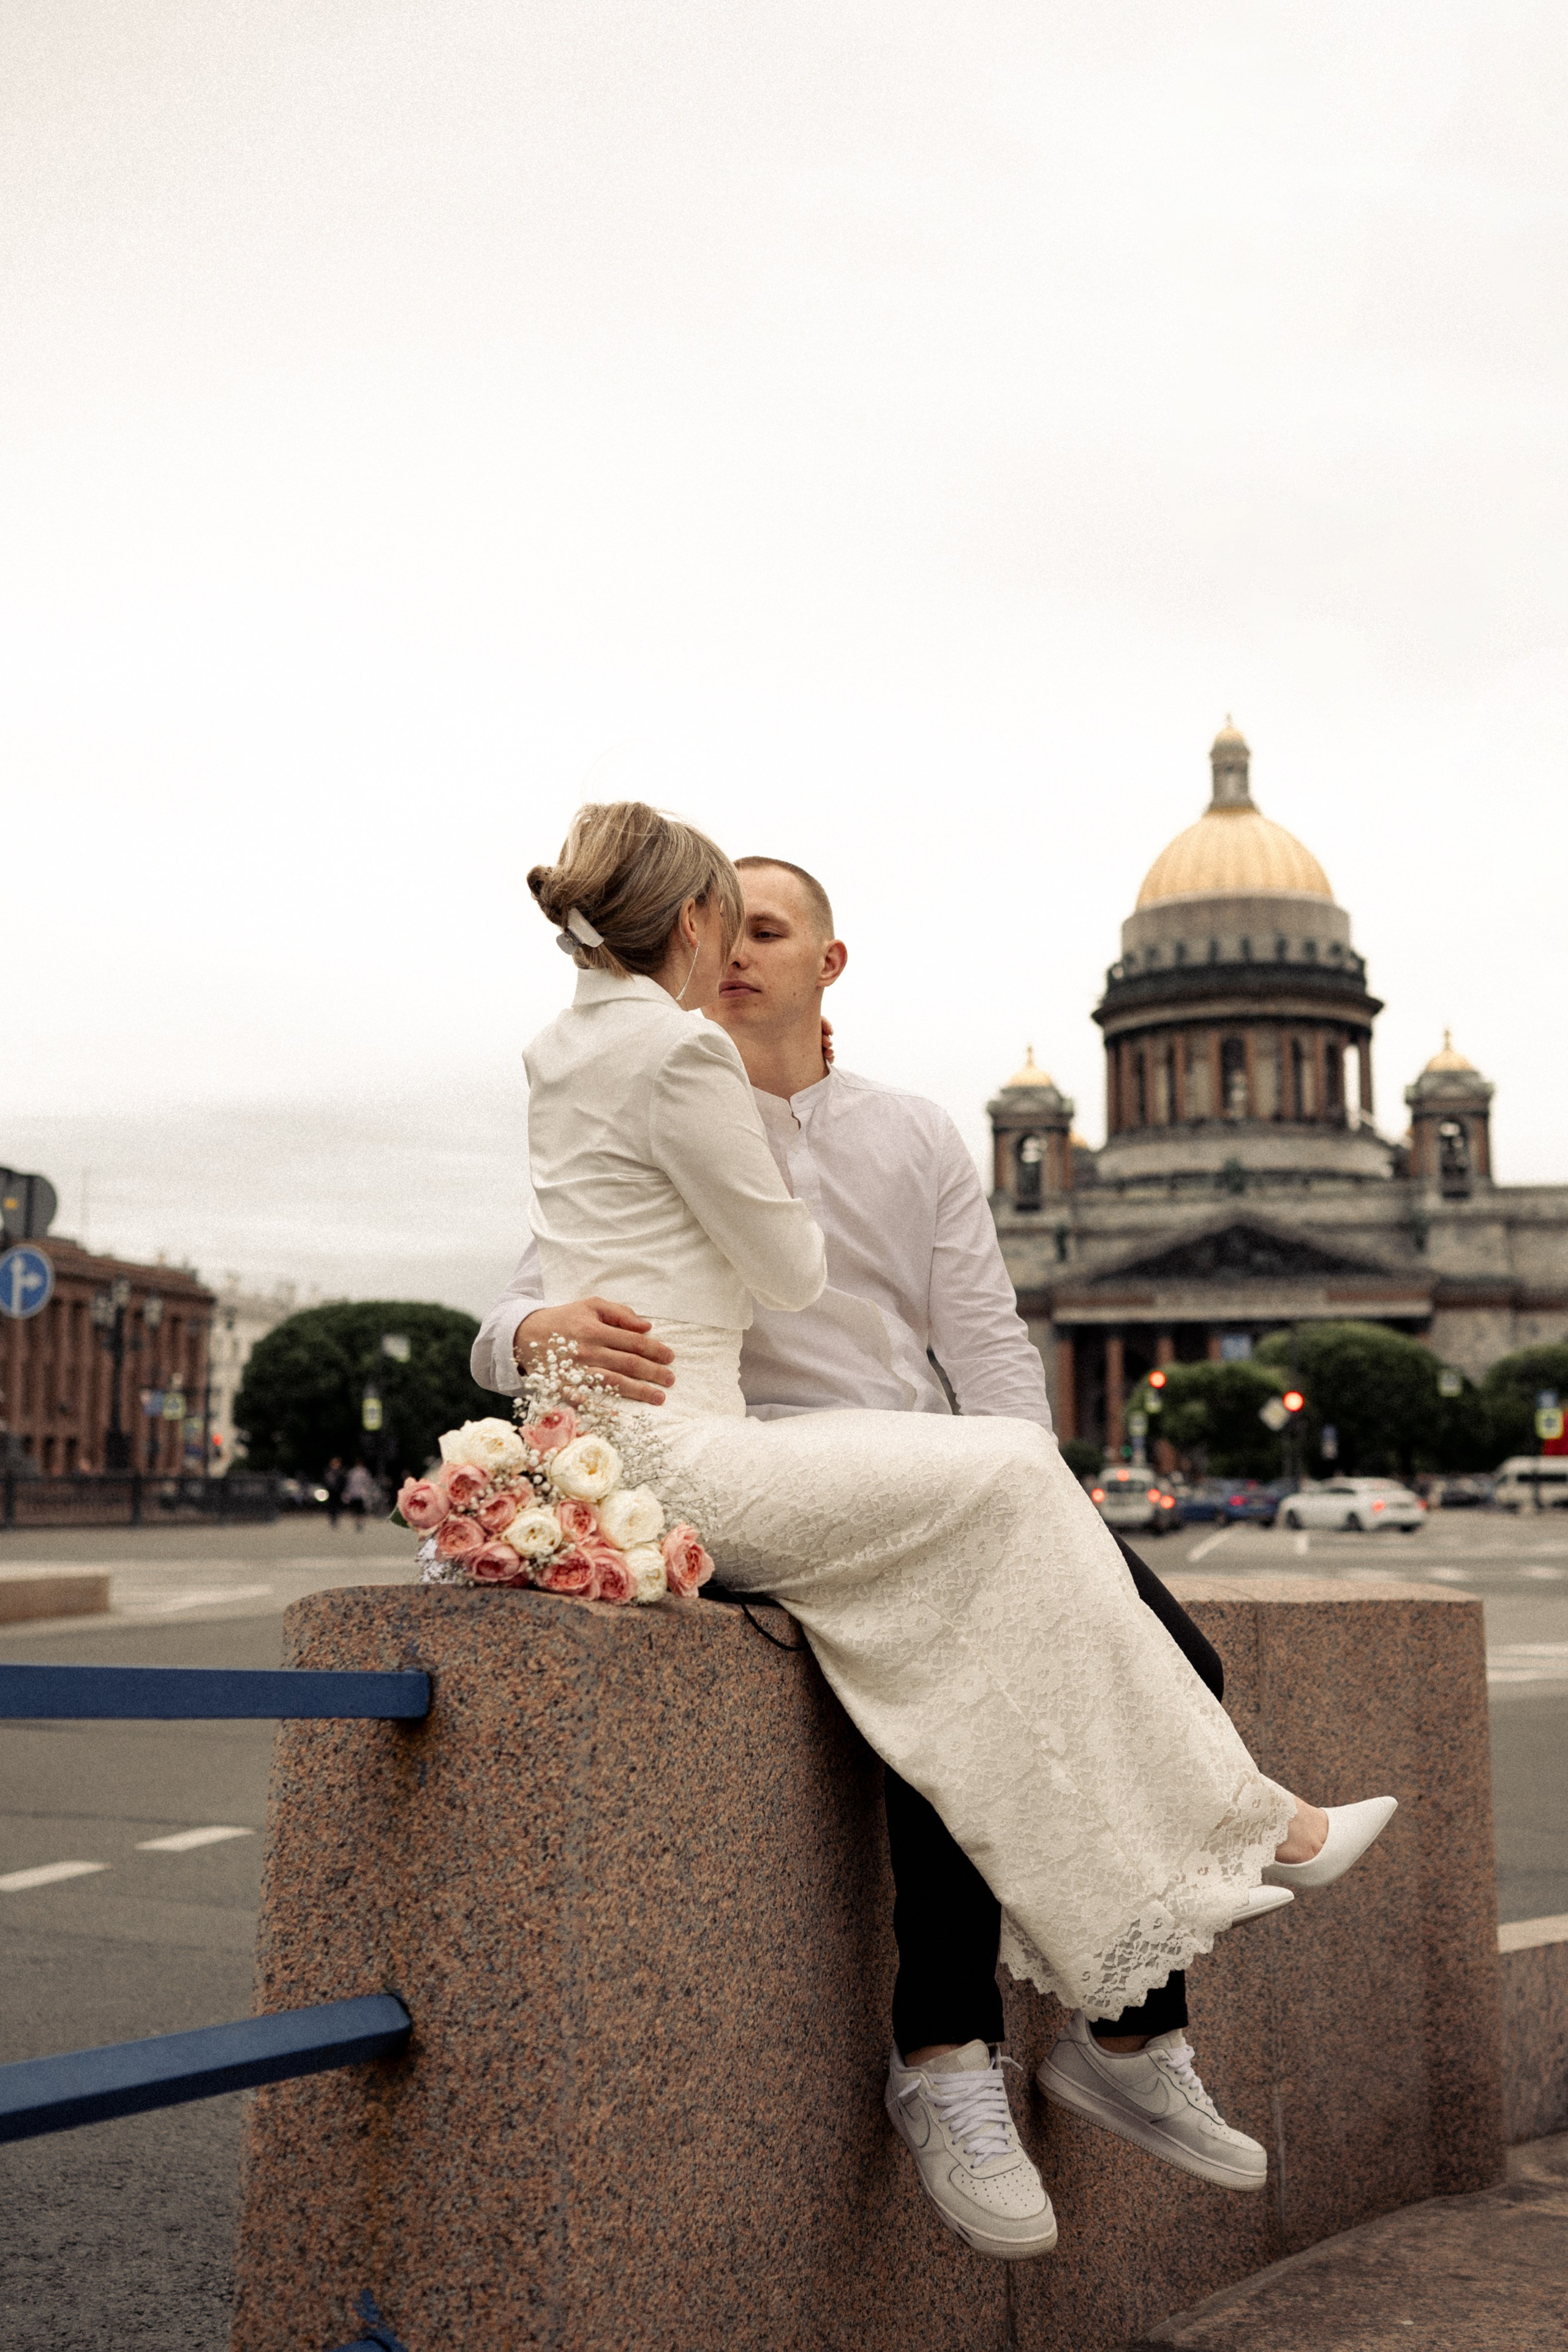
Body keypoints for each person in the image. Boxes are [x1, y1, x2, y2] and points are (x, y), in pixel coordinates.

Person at [491, 801, 1396, 2262]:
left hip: (933, 1475)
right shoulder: (662, 1086)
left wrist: (1056, 1516)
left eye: (761, 929)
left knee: (1176, 1655)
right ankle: (951, 2059)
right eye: (716, 924)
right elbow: (541, 1281)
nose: (727, 949)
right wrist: (529, 1322)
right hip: (780, 1481)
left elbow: (984, 1344)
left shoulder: (909, 1131)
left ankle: (1130, 2027)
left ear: (826, 961)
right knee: (957, 1695)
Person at [342, 1460, 374, 1530]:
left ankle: (357, 1521)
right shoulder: (365, 1472)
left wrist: (348, 1493)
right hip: (362, 1493)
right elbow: (369, 1482)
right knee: (361, 1509)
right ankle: (359, 1521)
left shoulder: (352, 1472)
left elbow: (349, 1483)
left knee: (355, 1509)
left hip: (354, 1493)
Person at [322, 1457, 347, 1531]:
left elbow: (344, 1481)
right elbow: (325, 1481)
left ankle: (336, 1518)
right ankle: (332, 1519)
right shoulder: (328, 1471)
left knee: (338, 1506)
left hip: (338, 1492)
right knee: (331, 1506)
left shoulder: (341, 1471)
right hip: (330, 1491)